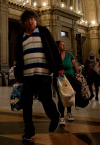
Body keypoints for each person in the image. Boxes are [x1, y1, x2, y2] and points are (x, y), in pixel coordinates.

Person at [14, 10, 64, 141]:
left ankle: (54, 116)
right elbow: (18, 56)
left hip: (43, 74)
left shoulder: (43, 31)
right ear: (24, 23)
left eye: (32, 19)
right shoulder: (21, 36)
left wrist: (59, 67)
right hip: (27, 76)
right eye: (27, 20)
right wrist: (17, 74)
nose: (30, 21)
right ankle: (29, 131)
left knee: (46, 99)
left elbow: (54, 49)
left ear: (36, 20)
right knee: (26, 104)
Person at [56, 41, 79, 126]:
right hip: (60, 79)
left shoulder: (69, 55)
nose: (64, 45)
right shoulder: (55, 56)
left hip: (70, 78)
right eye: (61, 44)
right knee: (61, 97)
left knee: (69, 95)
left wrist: (78, 75)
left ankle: (69, 112)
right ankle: (61, 116)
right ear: (57, 46)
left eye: (64, 44)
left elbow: (74, 66)